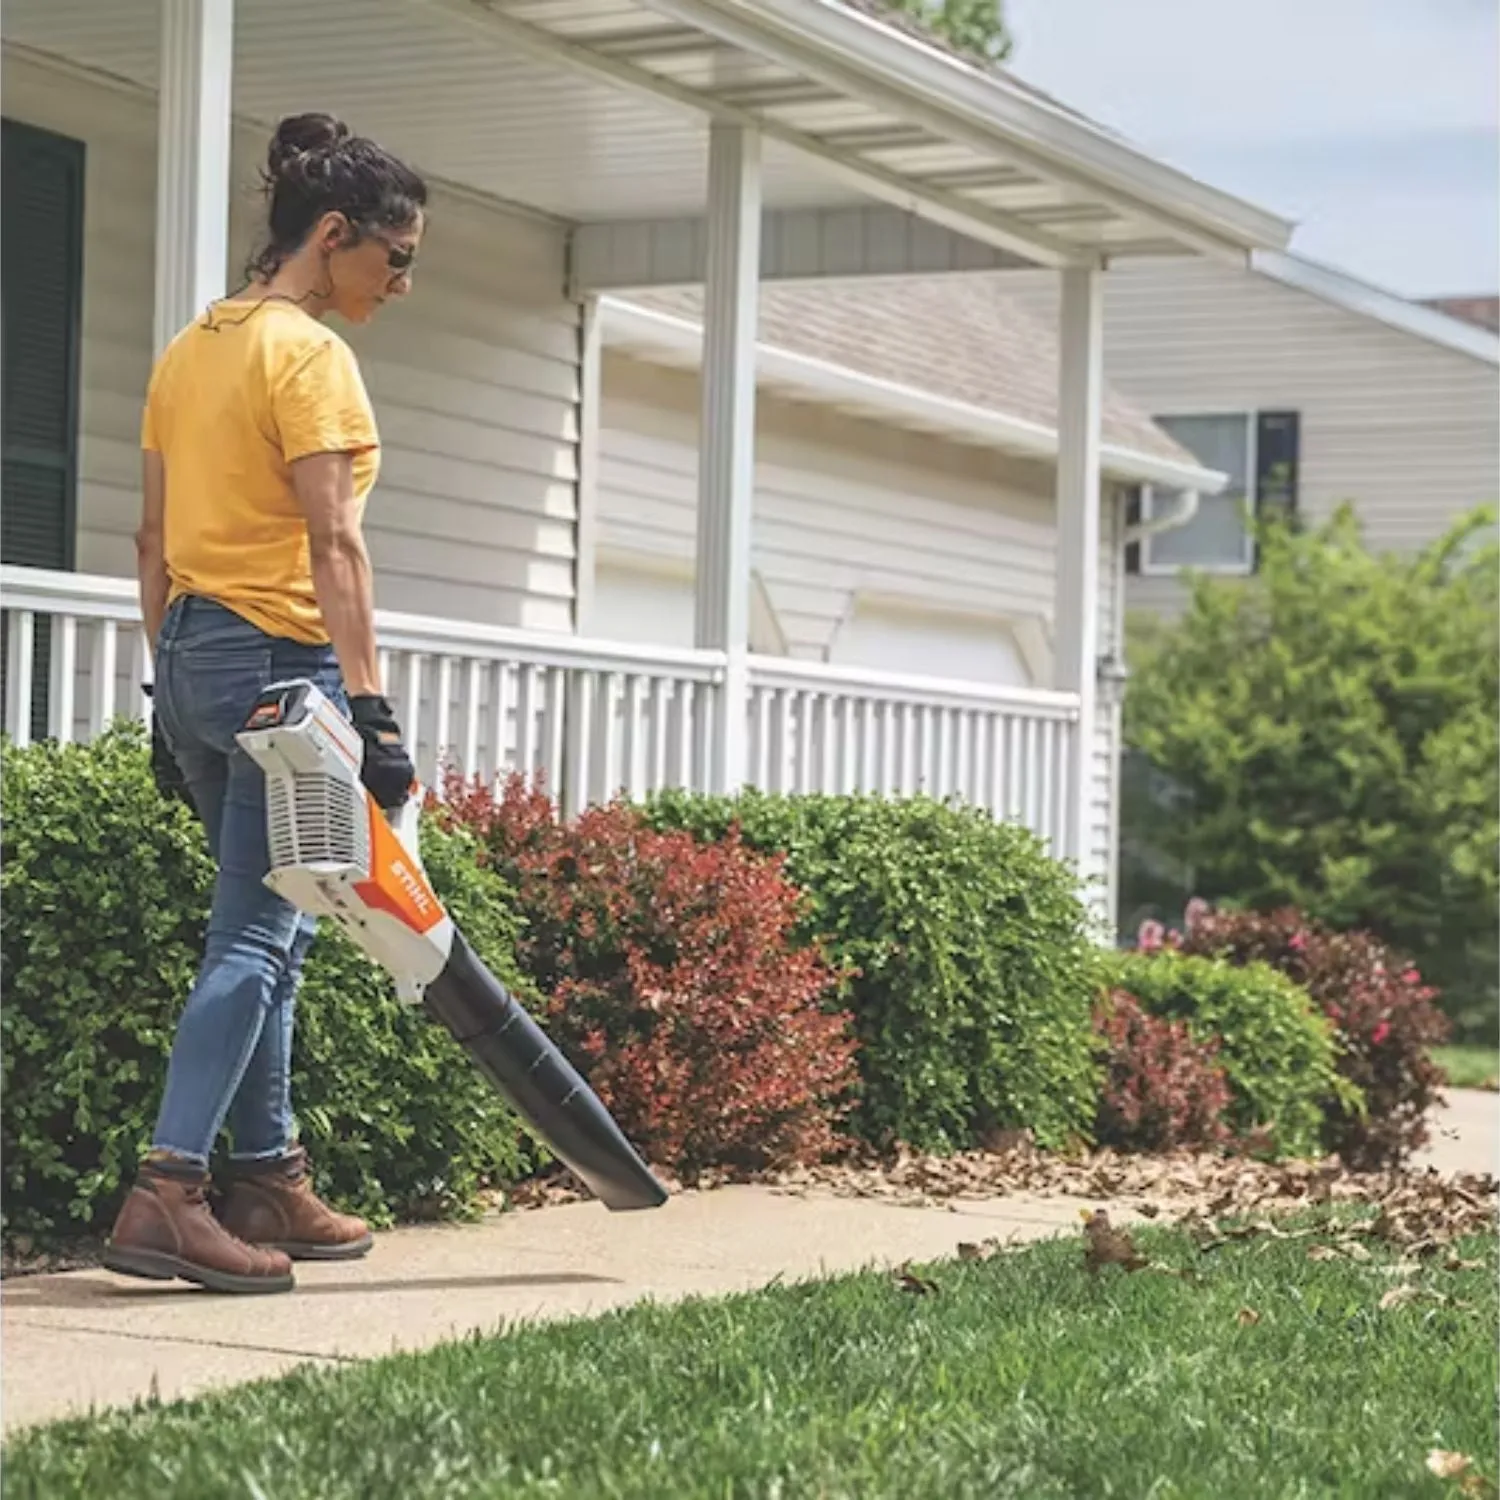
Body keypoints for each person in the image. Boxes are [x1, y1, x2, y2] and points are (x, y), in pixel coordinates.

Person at [102, 113, 426, 1295]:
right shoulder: (308, 355)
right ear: (331, 236)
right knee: (255, 934)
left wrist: (167, 686)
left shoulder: (192, 348)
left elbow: (150, 538)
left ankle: (268, 1175)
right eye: (393, 257)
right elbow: (335, 543)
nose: (401, 281)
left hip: (187, 657)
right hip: (280, 670)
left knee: (276, 932)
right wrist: (375, 714)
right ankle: (170, 1195)